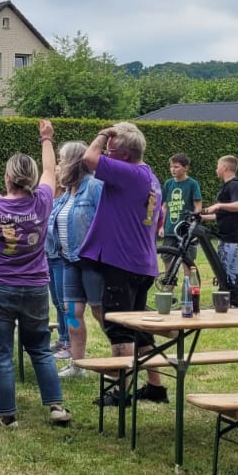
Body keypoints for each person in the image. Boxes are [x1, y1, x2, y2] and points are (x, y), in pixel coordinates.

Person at [0, 119, 72, 427]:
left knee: (0, 352)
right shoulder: (42, 201)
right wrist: (46, 138)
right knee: (39, 348)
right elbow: (51, 171)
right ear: (31, 178)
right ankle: (56, 407)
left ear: (8, 178)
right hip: (36, 286)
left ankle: (8, 415)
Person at [80, 122, 167, 406]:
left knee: (119, 327)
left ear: (124, 156)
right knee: (139, 328)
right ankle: (155, 387)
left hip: (122, 263)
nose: (106, 153)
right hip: (142, 263)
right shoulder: (150, 176)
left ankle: (121, 392)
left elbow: (89, 158)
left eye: (111, 151)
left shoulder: (129, 174)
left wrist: (104, 133)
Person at [48, 140, 103, 379]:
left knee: (100, 311)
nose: (59, 165)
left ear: (73, 162)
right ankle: (77, 364)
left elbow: (108, 223)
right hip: (69, 261)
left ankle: (123, 355)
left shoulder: (94, 187)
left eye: (61, 160)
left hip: (92, 262)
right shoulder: (65, 194)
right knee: (72, 311)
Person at [200, 155, 238, 297]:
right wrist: (202, 218)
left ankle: (234, 302)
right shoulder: (225, 187)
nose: (216, 169)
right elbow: (222, 215)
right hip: (225, 235)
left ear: (224, 167)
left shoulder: (235, 185)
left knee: (231, 272)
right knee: (223, 271)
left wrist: (218, 205)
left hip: (234, 236)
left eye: (217, 166)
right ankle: (225, 298)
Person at [162, 153, 203, 281]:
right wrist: (161, 225)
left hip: (186, 230)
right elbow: (164, 207)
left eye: (176, 167)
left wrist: (192, 223)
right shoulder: (168, 184)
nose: (173, 169)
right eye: (171, 167)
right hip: (170, 229)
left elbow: (198, 207)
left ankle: (187, 290)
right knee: (166, 258)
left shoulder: (192, 184)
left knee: (187, 260)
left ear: (185, 168)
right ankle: (169, 287)